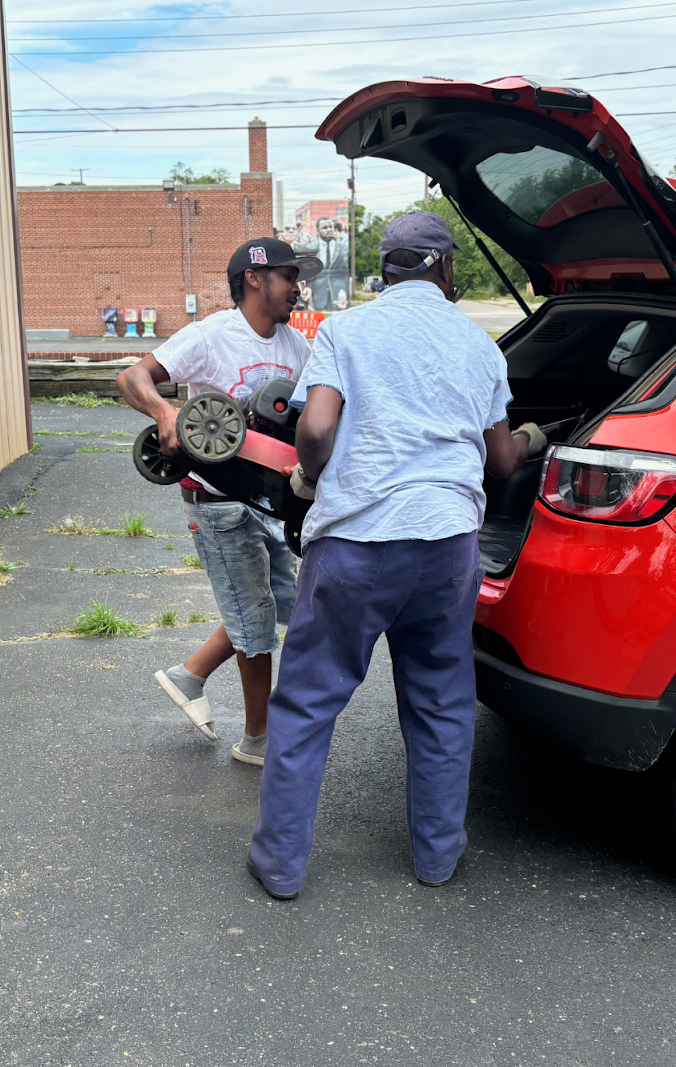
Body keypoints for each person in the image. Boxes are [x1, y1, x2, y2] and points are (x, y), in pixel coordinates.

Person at [246, 212, 545, 900]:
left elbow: (316, 428)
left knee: (308, 703)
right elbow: (501, 461)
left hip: (357, 543)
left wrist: (309, 477)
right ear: (444, 268)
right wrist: (532, 438)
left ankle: (280, 865)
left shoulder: (346, 331)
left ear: (387, 268)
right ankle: (437, 857)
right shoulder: (479, 345)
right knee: (441, 702)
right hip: (447, 546)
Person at [116, 237, 323, 766]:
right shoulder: (210, 336)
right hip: (216, 501)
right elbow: (132, 376)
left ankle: (190, 675)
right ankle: (258, 740)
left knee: (284, 602)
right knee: (254, 616)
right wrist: (165, 414)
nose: (296, 288)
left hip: (271, 498)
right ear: (254, 277)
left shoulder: (296, 347)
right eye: (288, 276)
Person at [307, 216, 350, 311]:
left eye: (331, 227)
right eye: (325, 228)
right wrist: (309, 287)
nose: (329, 230)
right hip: (318, 294)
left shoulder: (345, 248)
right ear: (317, 230)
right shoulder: (310, 249)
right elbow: (308, 273)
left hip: (340, 293)